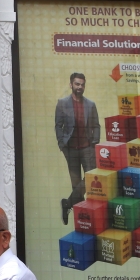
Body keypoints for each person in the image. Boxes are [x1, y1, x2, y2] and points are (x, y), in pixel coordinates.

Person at [54, 72, 100, 225]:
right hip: (71, 149)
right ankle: (82, 220)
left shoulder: (90, 104)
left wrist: (94, 144)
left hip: (87, 148)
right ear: (71, 85)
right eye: (77, 84)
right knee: (76, 184)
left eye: (82, 84)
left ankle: (67, 203)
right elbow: (58, 126)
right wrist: (62, 145)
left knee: (90, 179)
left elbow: (96, 125)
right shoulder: (62, 103)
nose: (80, 87)